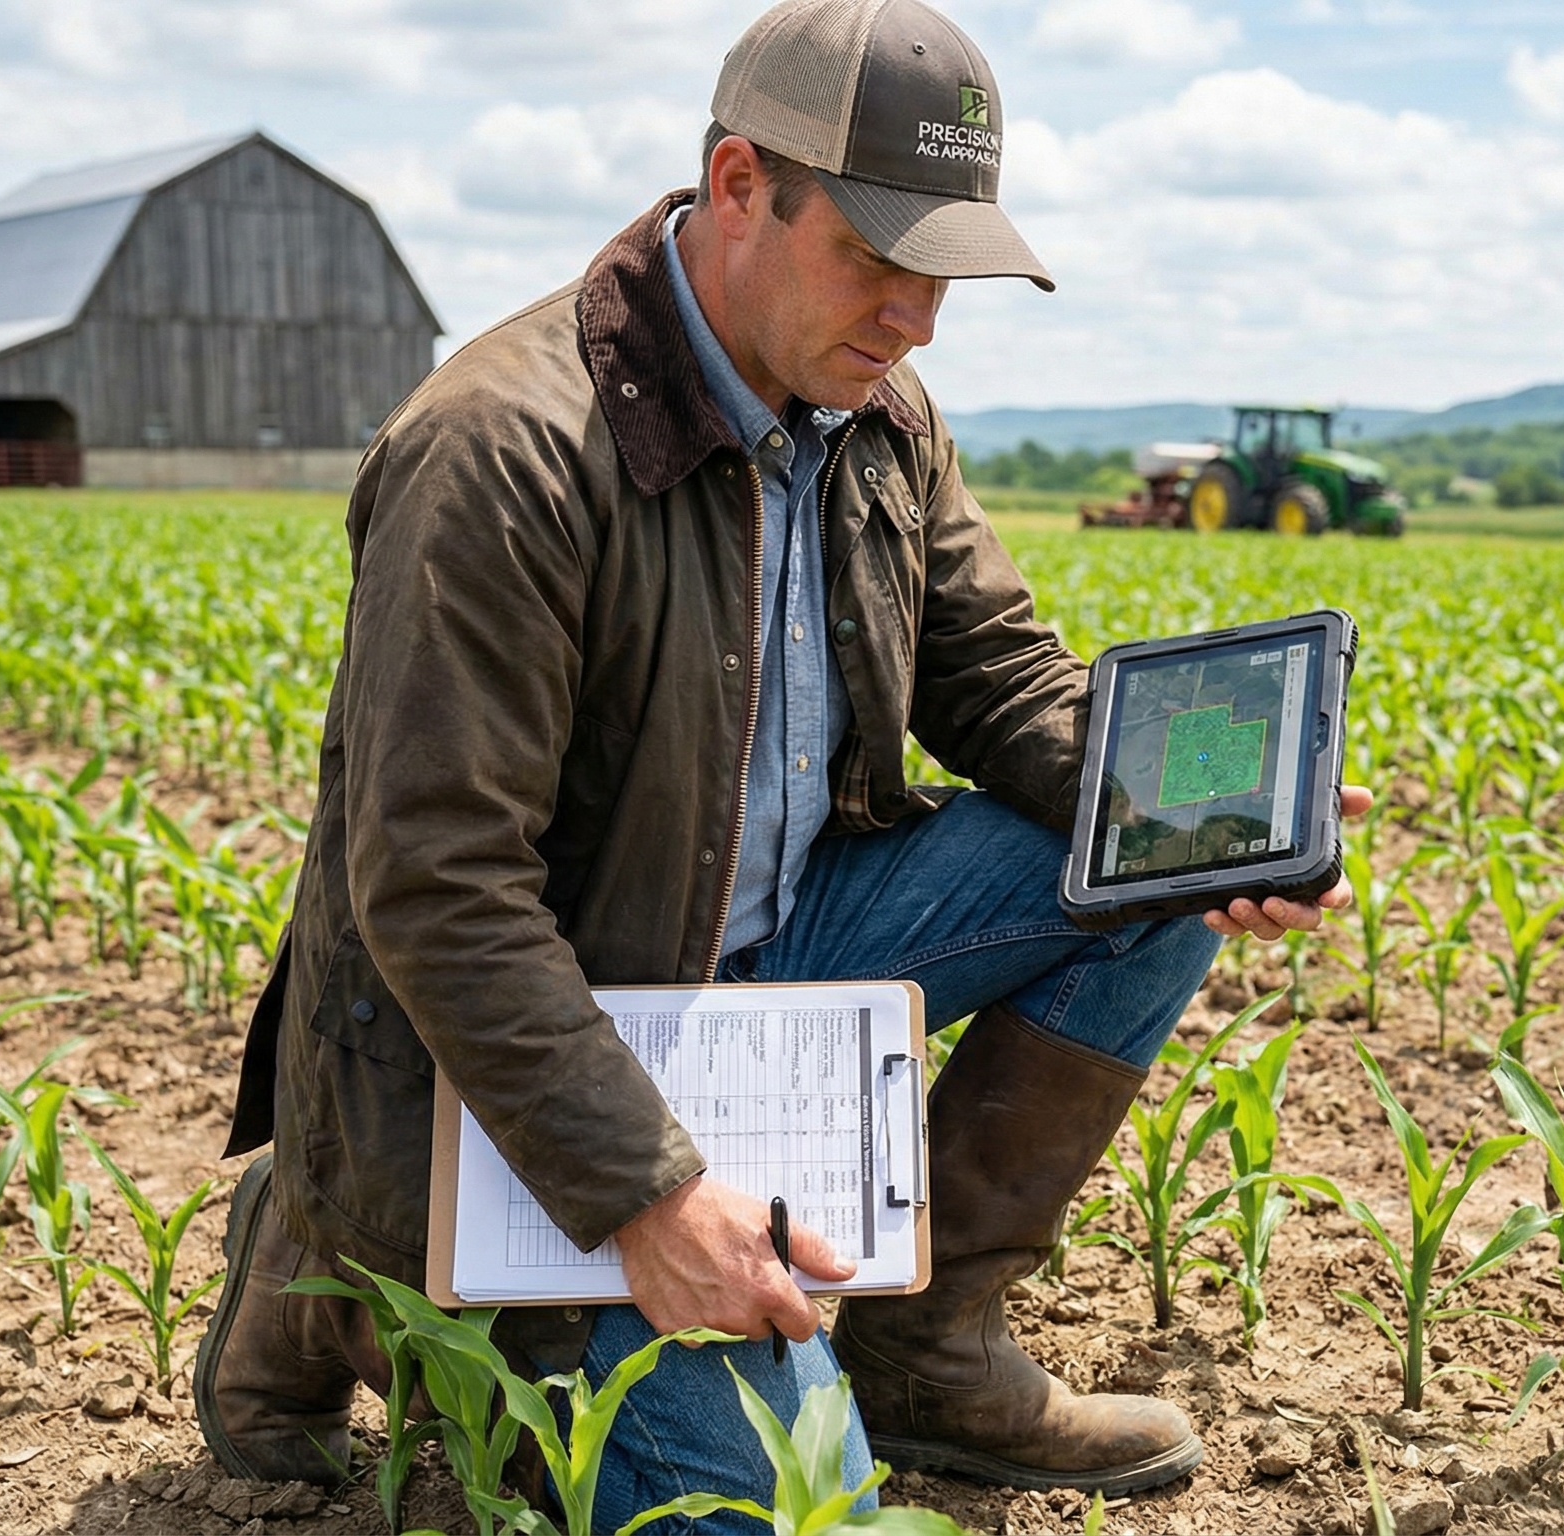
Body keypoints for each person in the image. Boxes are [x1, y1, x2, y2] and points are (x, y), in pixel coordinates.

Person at [195, 0, 1363, 1524]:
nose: (916, 317)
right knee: (787, 1507)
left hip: (773, 971)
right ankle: (325, 1254)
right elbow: (440, 890)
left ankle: (922, 1353)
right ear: (740, 186)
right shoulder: (500, 453)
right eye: (877, 259)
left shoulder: (874, 410)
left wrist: (1207, 820)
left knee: (1136, 870)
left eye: (941, 274)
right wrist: (650, 1200)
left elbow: (1000, 677)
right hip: (548, 1031)